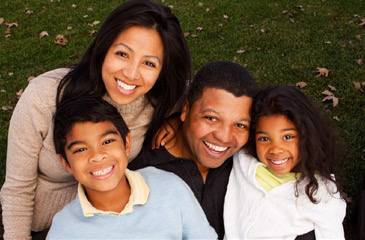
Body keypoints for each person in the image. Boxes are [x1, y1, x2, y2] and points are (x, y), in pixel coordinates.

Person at [0, 0, 192, 239]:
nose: (131, 74)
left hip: (108, 225)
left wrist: (177, 119)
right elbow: (17, 190)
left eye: (149, 63)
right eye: (122, 54)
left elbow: (207, 101)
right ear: (103, 48)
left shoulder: (157, 99)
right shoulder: (44, 97)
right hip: (38, 227)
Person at [46, 97, 217, 239]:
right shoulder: (64, 230)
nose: (97, 156)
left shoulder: (169, 186)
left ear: (127, 144)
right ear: (66, 163)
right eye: (81, 149)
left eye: (107, 141)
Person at [129, 60, 258, 239]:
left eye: (240, 125)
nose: (225, 137)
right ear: (185, 109)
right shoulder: (139, 175)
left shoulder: (250, 165)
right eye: (211, 118)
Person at [224, 85, 347, 239]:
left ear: (307, 137)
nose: (275, 149)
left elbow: (332, 233)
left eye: (287, 137)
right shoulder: (243, 161)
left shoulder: (321, 191)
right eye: (264, 139)